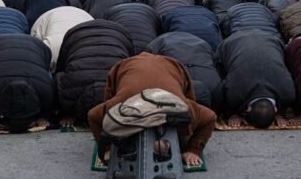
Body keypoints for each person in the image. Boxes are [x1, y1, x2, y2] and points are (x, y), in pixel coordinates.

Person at [88, 53, 216, 168]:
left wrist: (193, 150)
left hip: (169, 66)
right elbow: (93, 116)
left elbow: (210, 118)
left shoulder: (182, 110)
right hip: (156, 66)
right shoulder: (121, 108)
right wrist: (107, 148)